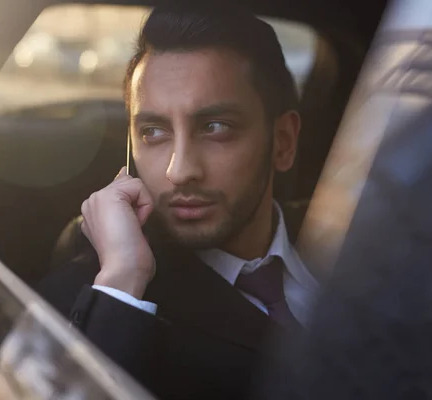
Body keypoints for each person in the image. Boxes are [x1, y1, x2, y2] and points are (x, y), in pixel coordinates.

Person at [38, 5, 318, 399]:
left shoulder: (358, 245)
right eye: (153, 131)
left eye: (216, 127)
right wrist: (121, 281)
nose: (179, 170)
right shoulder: (85, 302)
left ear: (283, 142)